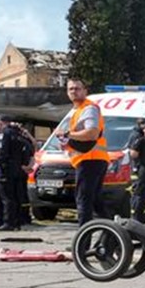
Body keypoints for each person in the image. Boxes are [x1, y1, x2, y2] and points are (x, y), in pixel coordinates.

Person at [53, 77, 109, 225]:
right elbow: (81, 138)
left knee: (83, 201)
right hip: (91, 159)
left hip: (90, 159)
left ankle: (83, 242)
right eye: (70, 89)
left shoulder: (88, 108)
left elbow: (92, 133)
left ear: (85, 91)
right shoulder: (77, 111)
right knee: (96, 202)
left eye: (78, 88)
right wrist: (68, 144)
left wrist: (67, 134)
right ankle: (110, 238)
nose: (74, 92)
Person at [0, 116, 31, 230]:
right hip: (18, 169)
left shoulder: (6, 133)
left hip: (6, 169)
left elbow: (3, 151)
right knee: (16, 196)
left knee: (6, 196)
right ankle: (16, 222)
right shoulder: (19, 134)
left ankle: (8, 222)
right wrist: (23, 163)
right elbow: (28, 148)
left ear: (1, 122)